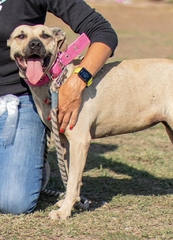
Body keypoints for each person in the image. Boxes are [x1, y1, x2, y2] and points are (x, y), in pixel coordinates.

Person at [0, 0, 118, 214]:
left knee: (13, 201)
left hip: (21, 99)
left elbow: (102, 32)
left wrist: (78, 81)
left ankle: (33, 162)